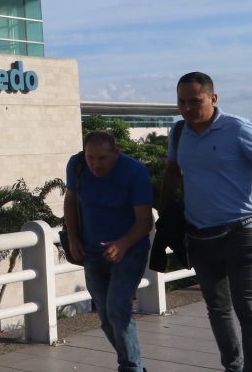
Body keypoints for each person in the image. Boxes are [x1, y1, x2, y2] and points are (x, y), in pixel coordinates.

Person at [160, 71, 252, 372]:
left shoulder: (238, 128)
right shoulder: (179, 132)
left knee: (250, 312)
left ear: (213, 98)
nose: (187, 108)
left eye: (195, 101)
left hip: (242, 235)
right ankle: (232, 367)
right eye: (181, 102)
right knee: (218, 310)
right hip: (200, 238)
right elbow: (171, 172)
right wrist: (165, 213)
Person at [64, 129, 153, 372]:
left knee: (117, 309)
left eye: (102, 158)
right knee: (105, 317)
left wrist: (122, 244)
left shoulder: (135, 171)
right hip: (92, 252)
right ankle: (135, 365)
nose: (95, 164)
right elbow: (71, 200)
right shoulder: (77, 165)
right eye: (91, 157)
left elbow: (146, 222)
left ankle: (130, 368)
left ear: (116, 152)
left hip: (130, 250)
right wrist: (73, 237)